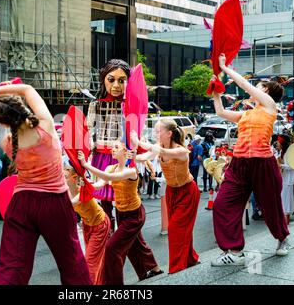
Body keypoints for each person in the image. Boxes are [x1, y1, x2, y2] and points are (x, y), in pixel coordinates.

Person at [0, 83, 91, 285]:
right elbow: (27, 89)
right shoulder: (46, 126)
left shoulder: (7, 143)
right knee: (71, 262)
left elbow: (13, 122)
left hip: (21, 204)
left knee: (12, 266)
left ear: (2, 122)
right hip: (55, 202)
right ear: (22, 107)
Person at [210, 53, 290, 266]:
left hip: (262, 163)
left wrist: (224, 68)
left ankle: (282, 239)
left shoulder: (270, 106)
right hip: (239, 163)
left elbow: (244, 84)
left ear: (265, 91)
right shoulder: (246, 114)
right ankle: (234, 251)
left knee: (271, 207)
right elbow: (219, 111)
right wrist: (216, 91)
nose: (256, 87)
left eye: (260, 85)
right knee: (221, 205)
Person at [78, 142, 163, 285]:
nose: (112, 149)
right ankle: (153, 270)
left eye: (116, 147)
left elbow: (109, 178)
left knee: (112, 248)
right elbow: (100, 183)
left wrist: (86, 165)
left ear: (125, 152)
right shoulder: (111, 168)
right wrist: (86, 183)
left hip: (134, 214)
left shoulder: (131, 171)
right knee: (135, 244)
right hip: (120, 213)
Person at [132, 119, 201, 274]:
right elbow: (143, 158)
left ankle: (176, 270)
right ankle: (191, 259)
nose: (155, 134)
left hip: (187, 192)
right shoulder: (160, 148)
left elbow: (161, 152)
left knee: (176, 229)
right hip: (171, 192)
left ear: (169, 133)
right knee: (182, 229)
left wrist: (138, 141)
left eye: (158, 131)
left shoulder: (181, 150)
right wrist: (129, 154)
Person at [86, 59, 131, 233]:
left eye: (122, 80)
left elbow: (134, 130)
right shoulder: (95, 104)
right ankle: (107, 228)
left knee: (122, 196)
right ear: (104, 79)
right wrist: (88, 144)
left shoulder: (129, 104)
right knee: (104, 199)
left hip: (121, 156)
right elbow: (89, 129)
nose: (116, 85)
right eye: (111, 79)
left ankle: (122, 229)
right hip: (101, 154)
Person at [62, 158, 110, 285]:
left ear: (73, 177)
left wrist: (107, 176)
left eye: (65, 177)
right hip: (87, 225)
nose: (62, 179)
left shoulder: (82, 191)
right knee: (93, 260)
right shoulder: (65, 193)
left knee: (90, 263)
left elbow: (98, 184)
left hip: (100, 224)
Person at [275, 135, 294, 224]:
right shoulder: (282, 152)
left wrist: (280, 165)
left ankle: (286, 220)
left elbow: (292, 166)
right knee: (284, 200)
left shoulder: (289, 153)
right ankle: (284, 220)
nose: (277, 144)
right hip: (284, 179)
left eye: (278, 142)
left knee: (286, 201)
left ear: (282, 143)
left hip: (288, 180)